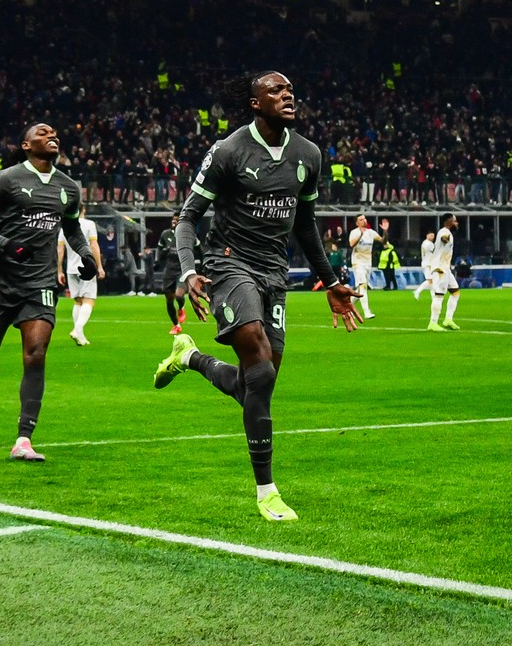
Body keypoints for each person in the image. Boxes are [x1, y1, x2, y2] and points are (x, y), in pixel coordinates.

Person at [151, 71, 361, 522]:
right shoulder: (228, 151)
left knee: (257, 381)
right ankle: (266, 491)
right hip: (229, 264)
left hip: (274, 272)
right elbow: (188, 218)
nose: (288, 95)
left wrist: (330, 281)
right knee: (260, 372)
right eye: (276, 91)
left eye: (291, 89)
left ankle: (189, 358)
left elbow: (305, 225)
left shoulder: (308, 154)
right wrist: (190, 270)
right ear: (254, 103)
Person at [0, 123, 98, 463]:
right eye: (43, 132)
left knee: (36, 354)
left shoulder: (68, 188)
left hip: (40, 282)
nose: (52, 134)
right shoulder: (6, 179)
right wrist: (6, 245)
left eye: (54, 132)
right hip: (1, 281)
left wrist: (85, 256)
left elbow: (71, 228)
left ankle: (23, 439)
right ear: (27, 145)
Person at [56, 202, 105, 345]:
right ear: (84, 210)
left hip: (71, 268)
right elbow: (93, 245)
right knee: (89, 299)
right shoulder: (89, 224)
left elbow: (60, 250)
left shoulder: (64, 226)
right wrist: (99, 266)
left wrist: (59, 270)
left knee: (77, 301)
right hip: (87, 267)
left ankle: (80, 336)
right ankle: (77, 329)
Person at [347, 215, 390, 319]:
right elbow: (351, 244)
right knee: (363, 287)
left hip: (368, 263)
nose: (364, 220)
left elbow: (383, 241)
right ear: (357, 223)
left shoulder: (371, 232)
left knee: (359, 290)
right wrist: (360, 235)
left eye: (364, 218)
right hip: (358, 263)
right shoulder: (354, 232)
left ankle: (348, 308)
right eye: (361, 219)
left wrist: (385, 231)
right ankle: (367, 312)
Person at [156, 211, 190, 335]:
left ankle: (181, 308)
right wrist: (158, 260)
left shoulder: (187, 233)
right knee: (169, 300)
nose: (174, 221)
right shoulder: (166, 234)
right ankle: (176, 325)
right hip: (169, 269)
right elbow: (160, 249)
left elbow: (198, 249)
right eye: (173, 219)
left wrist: (199, 265)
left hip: (182, 269)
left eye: (177, 219)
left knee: (179, 295)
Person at [426, 213, 461, 331]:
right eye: (454, 221)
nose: (456, 223)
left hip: (446, 269)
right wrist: (445, 240)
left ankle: (448, 319)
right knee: (439, 295)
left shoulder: (449, 233)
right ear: (449, 221)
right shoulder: (444, 231)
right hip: (440, 268)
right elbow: (442, 238)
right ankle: (433, 323)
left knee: (455, 292)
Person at [412, 231, 436, 300]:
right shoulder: (429, 244)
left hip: (426, 263)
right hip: (428, 264)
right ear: (427, 235)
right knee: (430, 280)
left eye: (433, 236)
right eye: (431, 235)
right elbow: (435, 252)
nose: (432, 237)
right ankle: (417, 291)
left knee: (432, 281)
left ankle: (433, 297)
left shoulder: (424, 243)